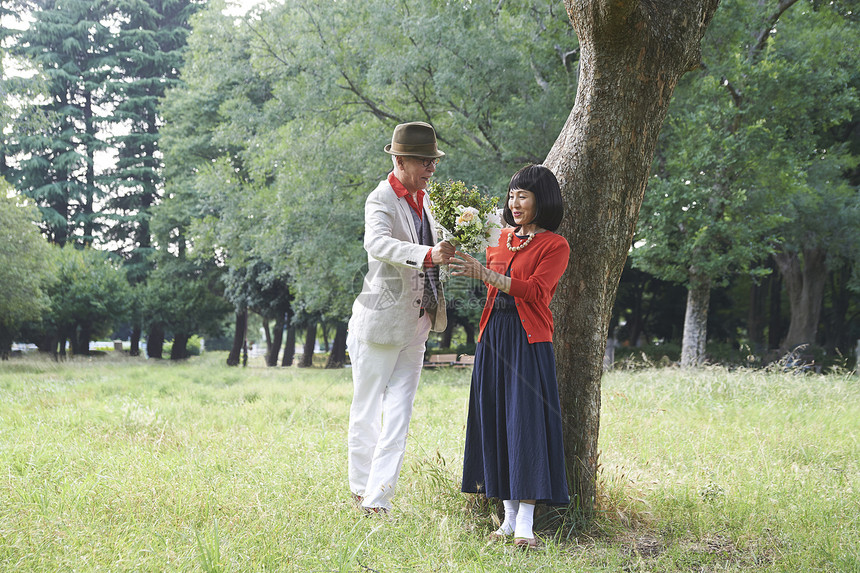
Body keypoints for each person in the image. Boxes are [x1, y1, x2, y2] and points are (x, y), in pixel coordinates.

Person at [450, 164, 570, 549]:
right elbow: (484, 275)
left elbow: (535, 291)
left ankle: (526, 526)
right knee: (497, 420)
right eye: (511, 195)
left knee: (526, 423)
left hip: (528, 340)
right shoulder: (499, 238)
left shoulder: (555, 245)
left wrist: (484, 274)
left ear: (542, 199)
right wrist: (466, 264)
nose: (514, 203)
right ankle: (507, 519)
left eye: (523, 195)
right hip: (493, 338)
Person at [347, 122, 456, 514]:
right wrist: (427, 254)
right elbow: (375, 243)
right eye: (424, 161)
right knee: (366, 410)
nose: (431, 167)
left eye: (433, 161)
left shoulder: (424, 199)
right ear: (399, 160)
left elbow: (437, 244)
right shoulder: (380, 198)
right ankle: (361, 488)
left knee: (399, 414)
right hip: (379, 324)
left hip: (419, 323)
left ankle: (378, 500)